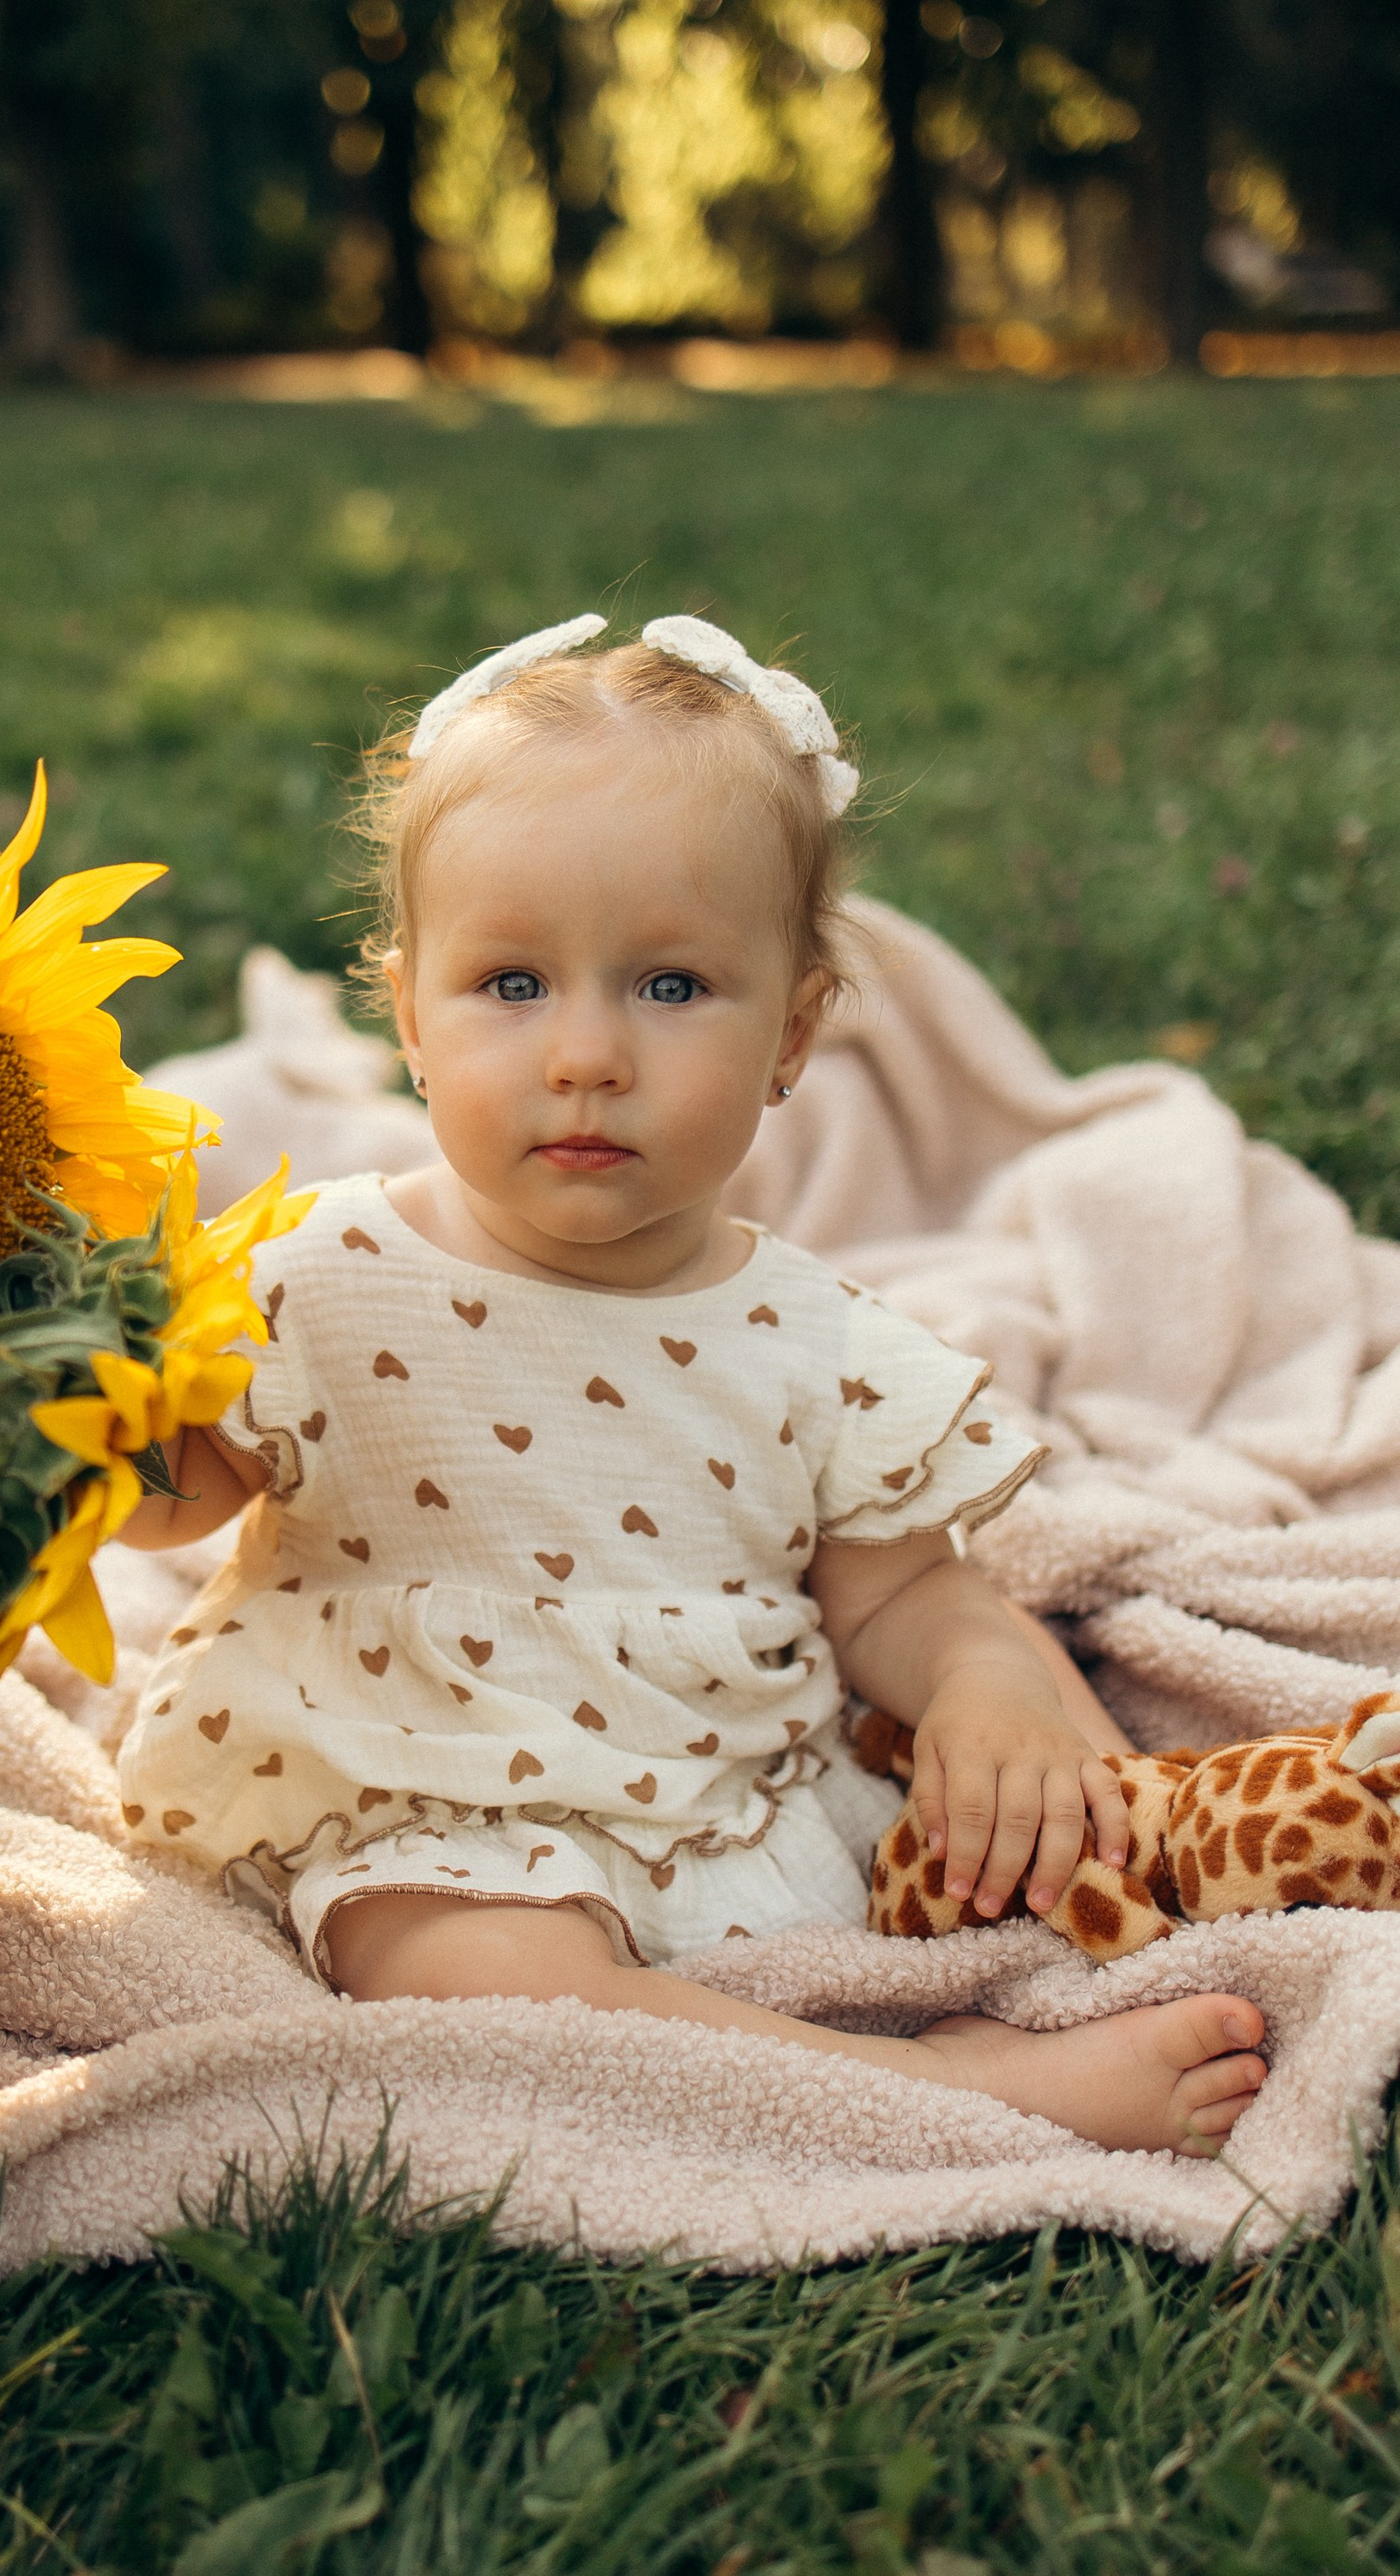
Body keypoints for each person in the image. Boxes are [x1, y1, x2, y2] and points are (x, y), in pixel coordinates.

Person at [116, 613, 1266, 2157]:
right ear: (405, 1016)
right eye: (510, 984)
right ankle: (965, 2094)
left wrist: (985, 1684)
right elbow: (173, 1496)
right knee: (467, 1979)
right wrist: (95, 1418)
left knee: (1031, 1815)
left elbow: (895, 1597)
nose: (586, 1054)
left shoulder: (816, 1341)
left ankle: (854, 2033)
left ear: (792, 1032)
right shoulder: (315, 1273)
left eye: (669, 988)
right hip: (418, 1800)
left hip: (708, 1784)